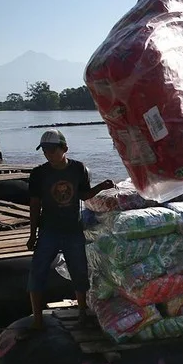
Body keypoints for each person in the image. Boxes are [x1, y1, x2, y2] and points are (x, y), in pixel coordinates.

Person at [23, 129, 114, 337]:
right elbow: (35, 204)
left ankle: (82, 312)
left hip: (73, 229)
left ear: (64, 149)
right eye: (44, 150)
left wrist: (101, 187)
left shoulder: (78, 169)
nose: (48, 154)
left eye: (52, 150)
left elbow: (83, 194)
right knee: (37, 272)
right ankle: (37, 320)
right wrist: (32, 234)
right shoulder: (38, 173)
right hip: (48, 231)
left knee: (79, 272)